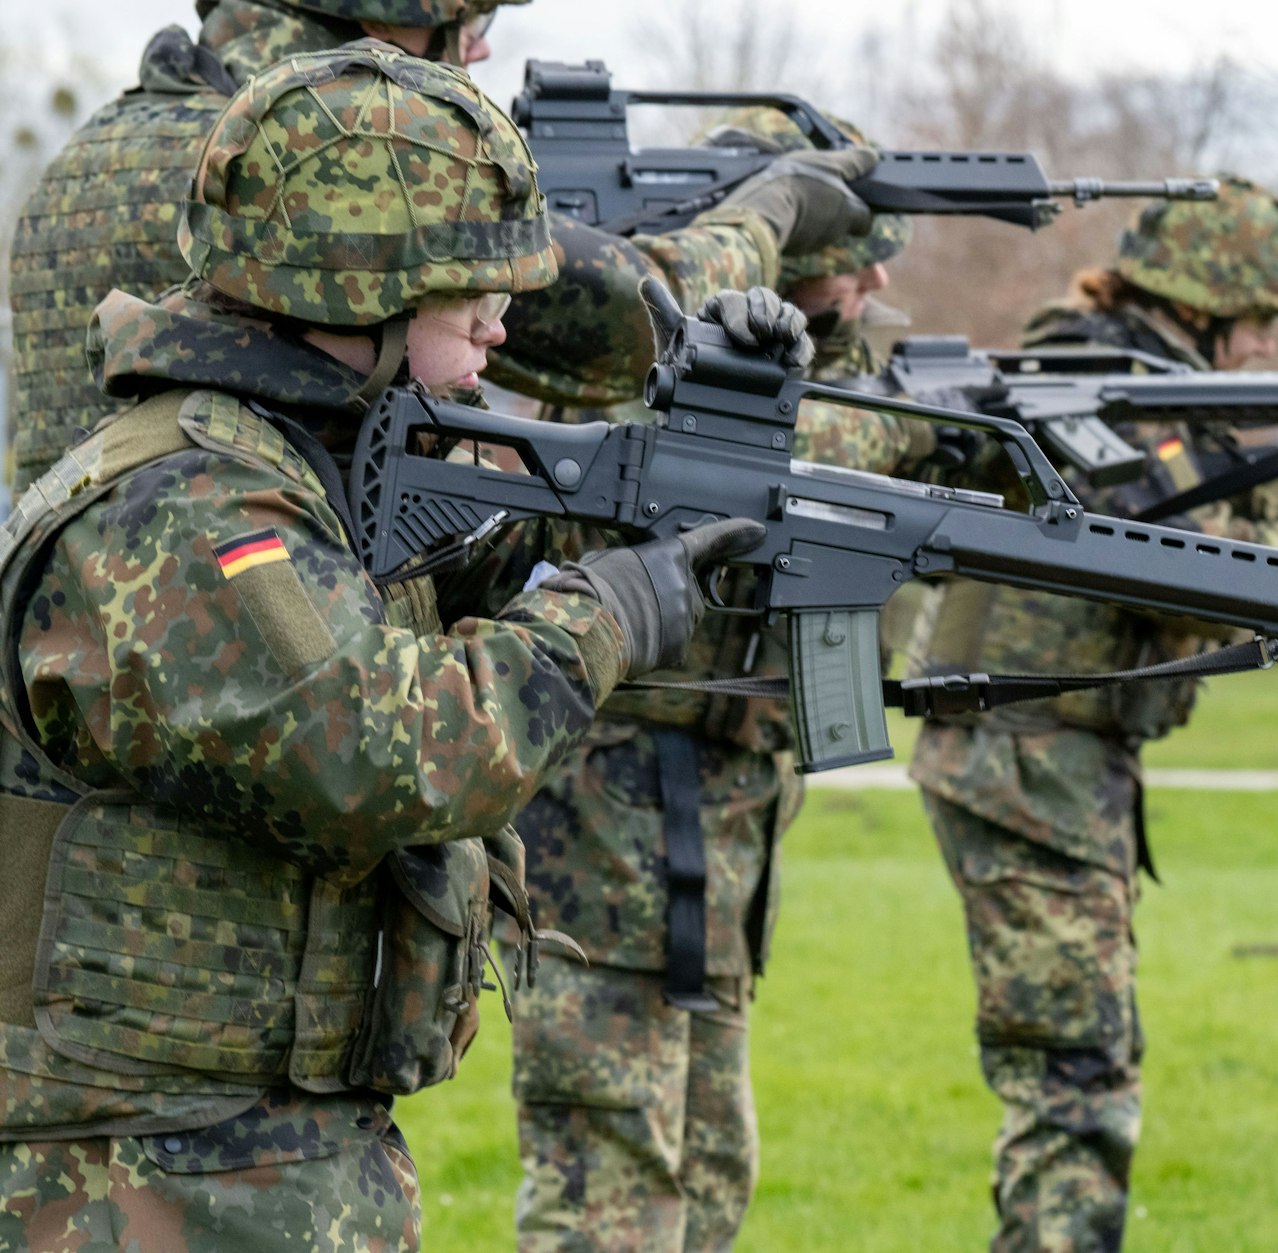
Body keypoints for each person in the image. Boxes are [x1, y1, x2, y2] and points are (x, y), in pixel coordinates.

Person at [0, 45, 784, 1250]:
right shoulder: (183, 505)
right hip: (143, 1172)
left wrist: (672, 460)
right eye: (467, 297)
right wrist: (610, 610)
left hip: (244, 1151)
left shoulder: (292, 467)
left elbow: (453, 564)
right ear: (349, 292)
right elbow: (382, 749)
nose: (500, 326)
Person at [906, 177, 1278, 1253]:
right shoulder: (1096, 382)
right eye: (1252, 325)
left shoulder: (1136, 377)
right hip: (1025, 756)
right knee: (1074, 1071)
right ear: (1201, 301)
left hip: (1048, 753)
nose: (1256, 350)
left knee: (1082, 1057)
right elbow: (1194, 571)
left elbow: (1227, 518)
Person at [507, 105, 934, 1253]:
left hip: (721, 837)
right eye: (851, 259)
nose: (877, 278)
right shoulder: (649, 376)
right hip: (607, 836)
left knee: (708, 1169)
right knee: (609, 1178)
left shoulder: (838, 378)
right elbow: (809, 460)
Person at [7, 0, 877, 492]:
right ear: (386, 29)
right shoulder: (344, 176)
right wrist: (775, 213)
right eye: (468, 18)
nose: (484, 44)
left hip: (105, 688)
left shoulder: (94, 152)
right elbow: (634, 323)